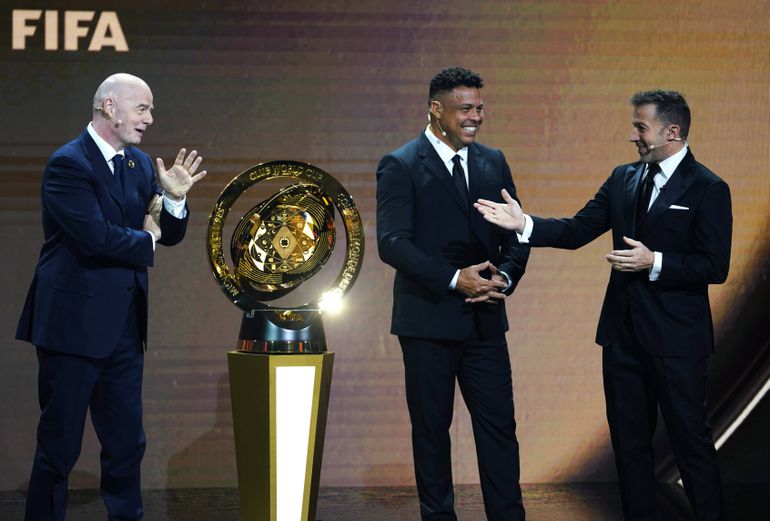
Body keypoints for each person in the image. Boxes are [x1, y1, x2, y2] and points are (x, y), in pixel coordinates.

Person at [475, 90, 730, 521]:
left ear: (672, 131)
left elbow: (715, 265)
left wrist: (655, 262)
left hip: (677, 342)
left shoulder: (708, 187)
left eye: (641, 127)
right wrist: (524, 224)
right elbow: (577, 230)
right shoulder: (622, 178)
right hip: (621, 337)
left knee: (691, 445)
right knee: (629, 448)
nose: (633, 135)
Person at [16, 73, 207, 520]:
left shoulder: (139, 165)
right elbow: (96, 238)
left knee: (126, 445)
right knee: (59, 448)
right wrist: (148, 236)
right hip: (71, 328)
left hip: (123, 329)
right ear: (109, 108)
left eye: (150, 109)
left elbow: (168, 233)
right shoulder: (68, 164)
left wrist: (174, 201)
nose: (150, 118)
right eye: (142, 108)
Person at [376, 66, 529, 521]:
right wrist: (453, 278)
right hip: (427, 322)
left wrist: (505, 277)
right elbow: (392, 243)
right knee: (431, 432)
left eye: (480, 108)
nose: (476, 117)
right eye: (466, 108)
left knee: (499, 430)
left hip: (485, 321)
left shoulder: (493, 161)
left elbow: (517, 232)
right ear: (435, 109)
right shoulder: (401, 164)